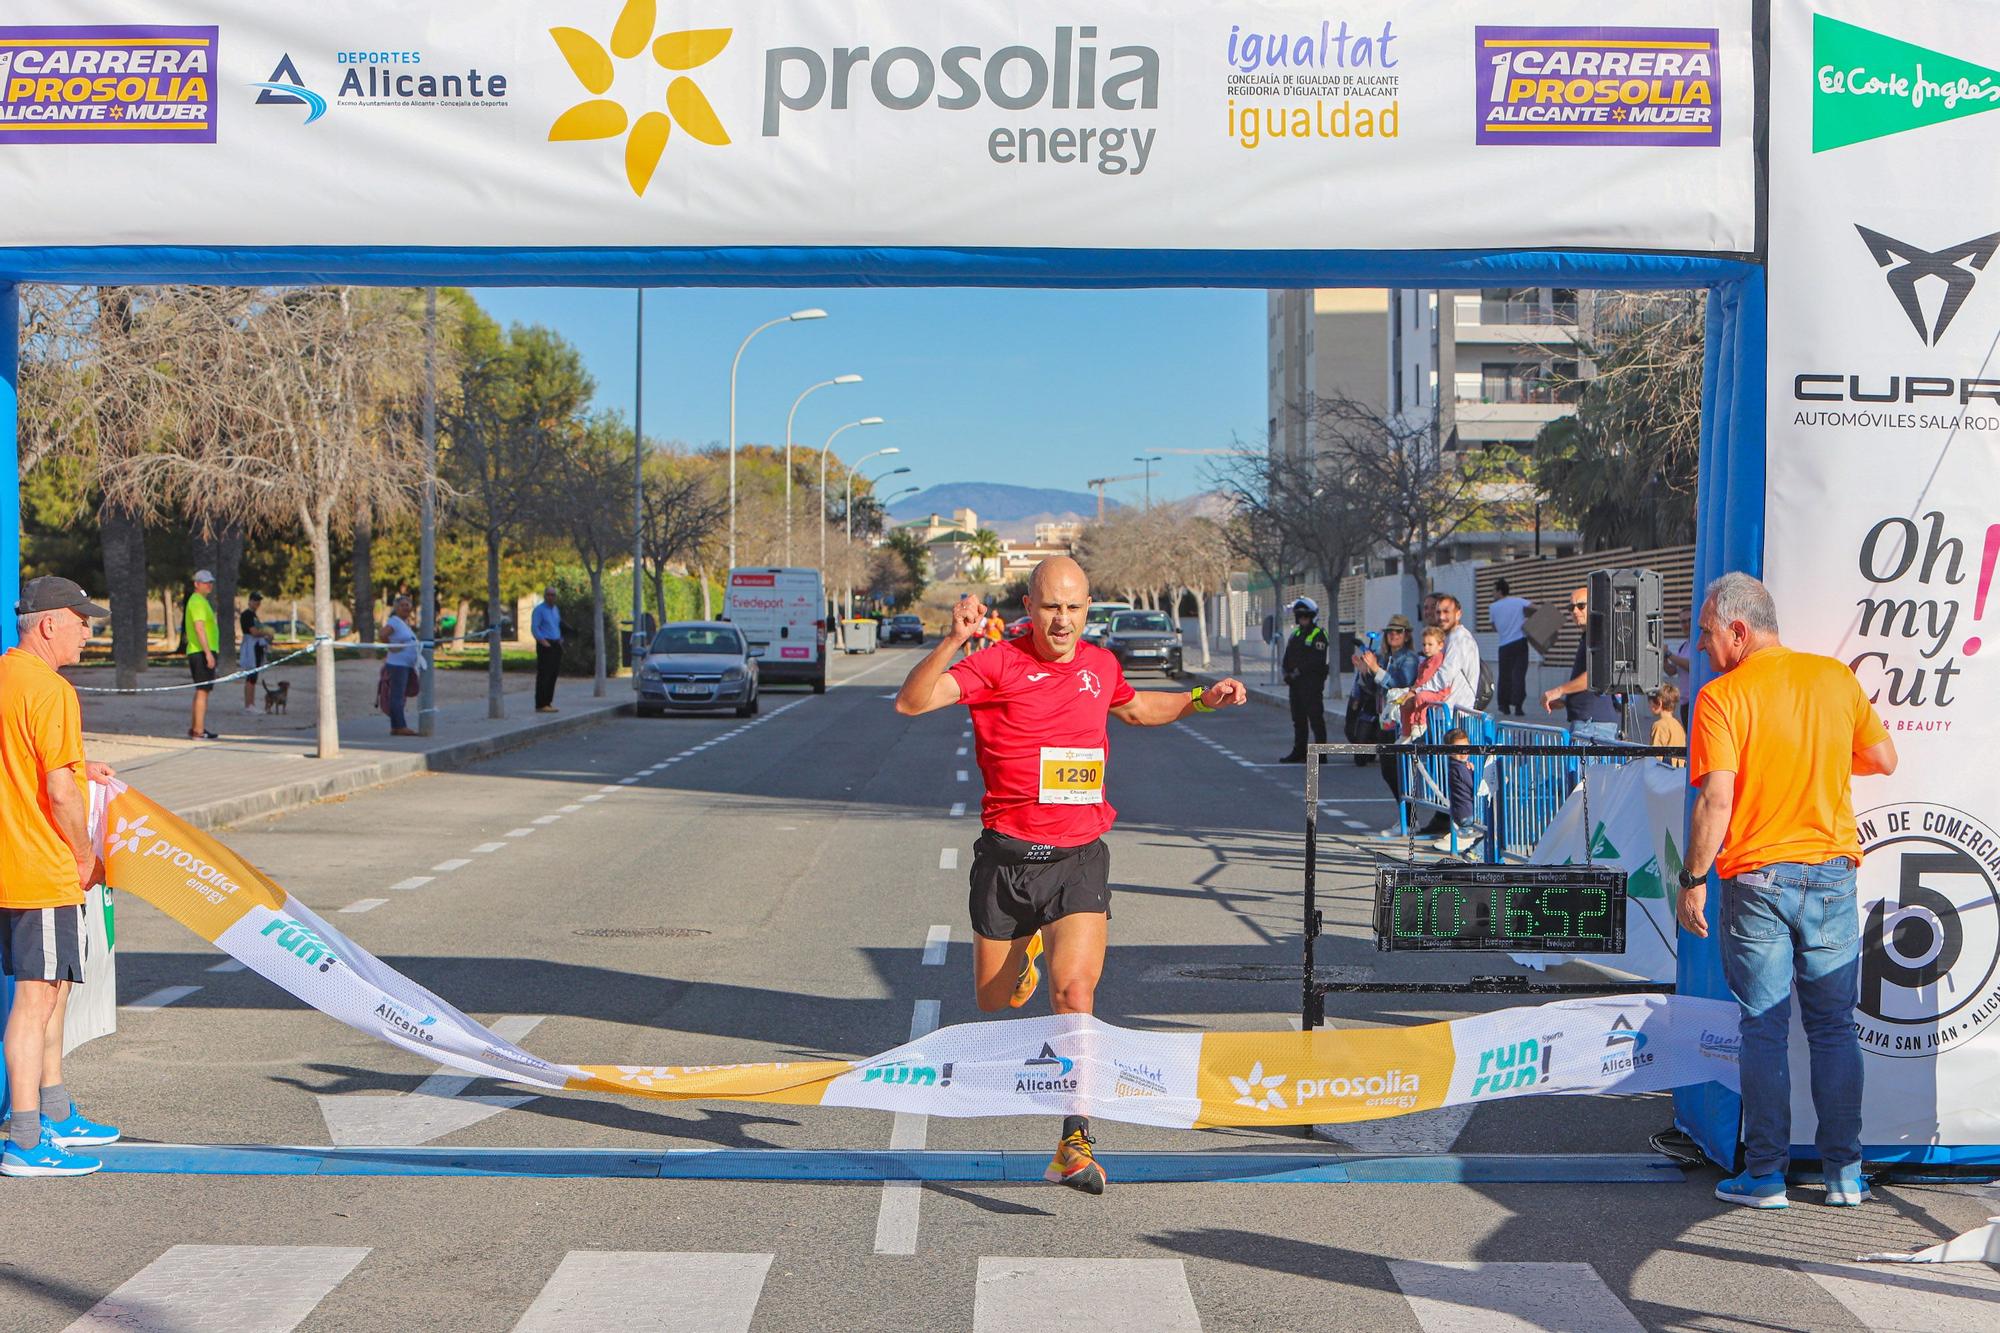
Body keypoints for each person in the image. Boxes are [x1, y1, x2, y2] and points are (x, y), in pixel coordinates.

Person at [894, 557, 1248, 1195]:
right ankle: (1023, 948)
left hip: (1078, 858)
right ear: (1029, 605)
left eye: (1074, 608)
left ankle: (1074, 1138)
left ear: (1088, 610)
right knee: (994, 1001)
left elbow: (1138, 711)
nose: (1062, 620)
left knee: (1074, 995)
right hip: (1006, 862)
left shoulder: (1101, 665)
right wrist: (953, 639)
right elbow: (911, 702)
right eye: (1051, 607)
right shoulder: (996, 662)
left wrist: (1200, 698)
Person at [1676, 572, 1895, 1211]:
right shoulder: (1835, 679)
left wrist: (1691, 879)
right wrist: (1823, 757)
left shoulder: (1722, 698)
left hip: (1758, 879)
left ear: (1738, 632)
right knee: (1833, 1028)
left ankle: (1766, 1176)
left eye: (1708, 634)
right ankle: (1845, 1174)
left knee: (1765, 1028)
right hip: (1831, 873)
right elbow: (1882, 760)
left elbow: (1717, 798)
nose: (1703, 649)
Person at [2, 577, 121, 1178]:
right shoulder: (51, 690)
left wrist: (81, 765)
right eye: (81, 621)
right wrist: (82, 856)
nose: (87, 632)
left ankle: (52, 1112)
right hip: (38, 865)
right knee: (37, 998)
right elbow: (57, 789)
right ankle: (25, 1137)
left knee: (53, 990)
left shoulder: (6, 676)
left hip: (9, 859)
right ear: (48, 624)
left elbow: (31, 762)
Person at [1356, 615, 1421, 820]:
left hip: (1400, 722)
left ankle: (1410, 819)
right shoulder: (1384, 657)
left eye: (1398, 631)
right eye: (1390, 631)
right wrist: (1364, 672)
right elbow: (1372, 689)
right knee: (1389, 771)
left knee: (1399, 772)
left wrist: (1376, 669)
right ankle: (1405, 818)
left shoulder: (1409, 658)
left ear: (1407, 635)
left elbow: (1401, 685)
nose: (1393, 635)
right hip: (1385, 720)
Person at [1541, 585, 1624, 742]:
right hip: (1588, 721)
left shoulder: (1599, 634)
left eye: (1581, 606)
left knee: (1589, 768)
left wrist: (1559, 691)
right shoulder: (1589, 636)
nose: (1575, 611)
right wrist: (1568, 701)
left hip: (1594, 725)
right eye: (1571, 607)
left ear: (1594, 606)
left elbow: (1595, 675)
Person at [1278, 596, 1330, 763]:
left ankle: (1321, 754)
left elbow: (1317, 660)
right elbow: (1287, 657)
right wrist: (1286, 673)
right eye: (1300, 616)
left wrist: (1299, 672)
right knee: (1298, 720)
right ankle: (1299, 751)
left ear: (1312, 616)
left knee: (1315, 719)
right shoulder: (1295, 634)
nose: (1303, 619)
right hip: (1295, 685)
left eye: (1306, 616)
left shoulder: (1319, 634)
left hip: (1312, 685)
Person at [1488, 579, 1533, 717]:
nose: (1492, 593)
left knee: (1505, 675)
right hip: (1520, 642)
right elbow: (1535, 608)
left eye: (1494, 590)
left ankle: (1504, 705)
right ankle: (1518, 706)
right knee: (1519, 675)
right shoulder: (1519, 602)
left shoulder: (1493, 607)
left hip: (1504, 645)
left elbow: (1493, 626)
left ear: (1500, 591)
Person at [184, 568, 220, 740]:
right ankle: (198, 731)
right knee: (203, 690)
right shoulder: (197, 601)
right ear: (196, 584)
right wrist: (208, 653)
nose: (209, 585)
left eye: (210, 582)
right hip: (200, 651)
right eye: (206, 582)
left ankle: (196, 727)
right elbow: (199, 628)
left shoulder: (201, 601)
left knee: (202, 690)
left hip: (201, 651)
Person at [381, 595, 421, 736]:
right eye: (403, 605)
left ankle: (396, 726)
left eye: (408, 605)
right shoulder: (395, 622)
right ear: (396, 608)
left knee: (401, 695)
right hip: (398, 665)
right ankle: (400, 726)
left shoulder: (404, 623)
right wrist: (391, 647)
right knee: (397, 696)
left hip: (406, 665)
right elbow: (383, 634)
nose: (406, 608)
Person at [1437, 726, 1480, 852]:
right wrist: (1474, 773)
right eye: (1458, 750)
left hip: (1461, 814)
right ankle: (1475, 852)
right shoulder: (1459, 768)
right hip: (1467, 815)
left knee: (1490, 830)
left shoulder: (1455, 766)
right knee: (1494, 829)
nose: (1463, 753)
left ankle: (1474, 852)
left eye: (1466, 748)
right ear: (1449, 751)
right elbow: (1475, 786)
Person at [238, 593, 272, 715]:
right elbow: (253, 632)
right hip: (251, 646)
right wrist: (266, 633)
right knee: (251, 676)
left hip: (257, 646)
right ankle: (249, 704)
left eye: (259, 601)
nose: (257, 603)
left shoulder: (254, 615)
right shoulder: (247, 615)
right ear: (250, 601)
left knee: (253, 676)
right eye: (255, 601)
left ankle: (250, 703)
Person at [531, 587, 563, 714]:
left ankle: (548, 702)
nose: (551, 597)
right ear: (545, 596)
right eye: (549, 595)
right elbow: (535, 627)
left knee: (553, 674)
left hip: (556, 644)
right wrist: (542, 641)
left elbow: (557, 625)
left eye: (553, 595)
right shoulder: (539, 610)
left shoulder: (555, 610)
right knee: (544, 674)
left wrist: (560, 638)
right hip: (546, 645)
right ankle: (541, 703)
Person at [1649, 684, 1687, 766]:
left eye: (1650, 701)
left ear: (1659, 702)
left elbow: (1655, 757)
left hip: (1664, 771)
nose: (1650, 706)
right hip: (1678, 771)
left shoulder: (1659, 725)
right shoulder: (1678, 724)